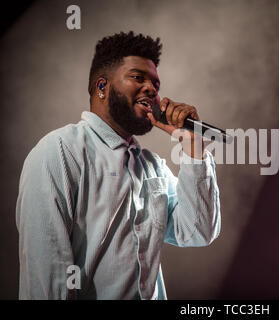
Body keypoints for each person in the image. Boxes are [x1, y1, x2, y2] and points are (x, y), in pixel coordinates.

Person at [15, 31, 221, 300]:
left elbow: (198, 232)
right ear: (102, 86)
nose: (151, 89)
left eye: (156, 85)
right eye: (138, 77)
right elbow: (47, 278)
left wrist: (193, 148)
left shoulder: (152, 167)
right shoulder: (59, 152)